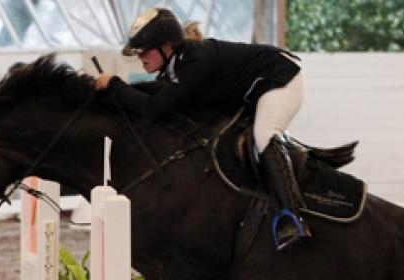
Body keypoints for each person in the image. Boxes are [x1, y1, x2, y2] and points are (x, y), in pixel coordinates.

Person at [94, 8, 310, 251]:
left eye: (145, 50)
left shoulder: (195, 61)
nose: (140, 56)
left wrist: (114, 84)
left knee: (264, 134)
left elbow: (154, 107)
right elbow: (154, 100)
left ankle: (291, 218)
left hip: (280, 77)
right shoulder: (176, 67)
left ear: (167, 46)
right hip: (253, 90)